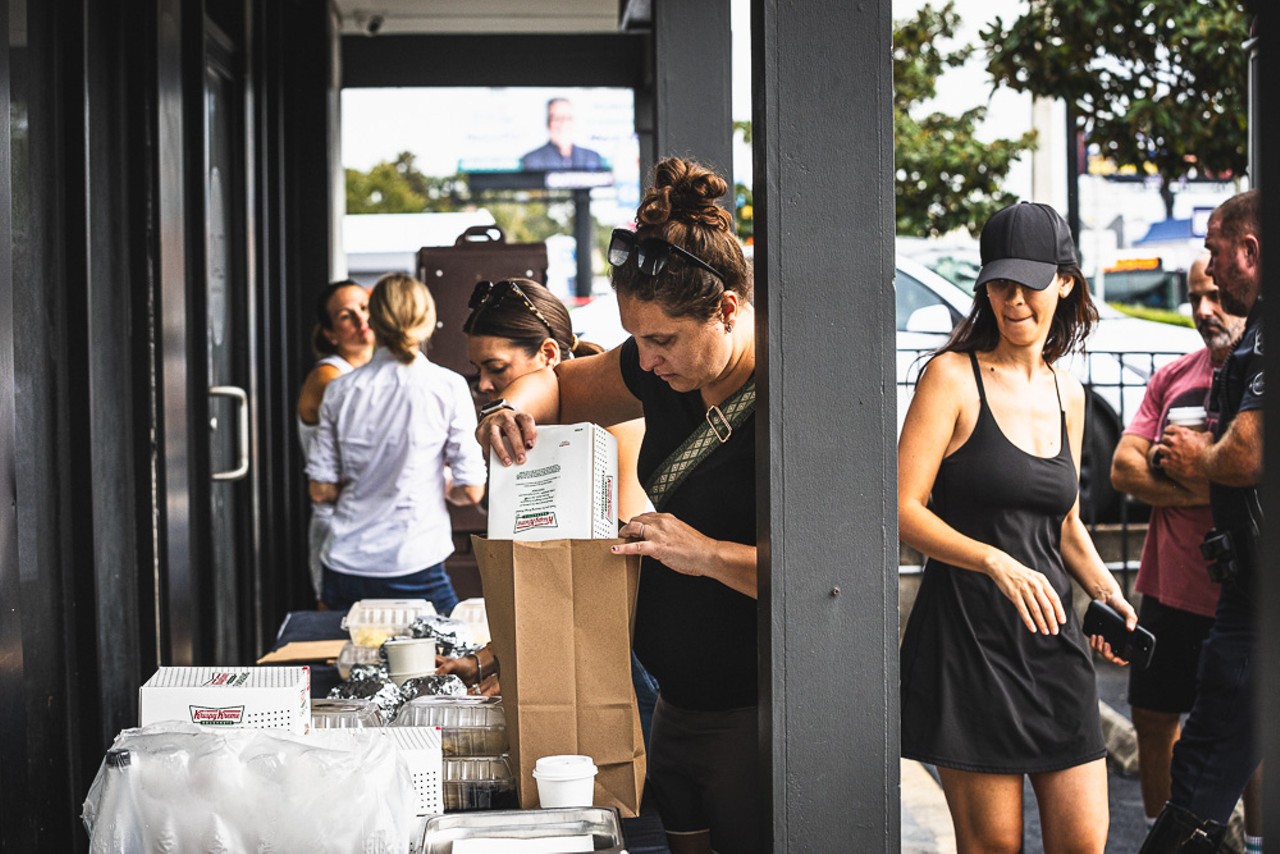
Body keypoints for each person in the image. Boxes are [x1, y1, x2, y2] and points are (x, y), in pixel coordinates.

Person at [475, 157, 757, 854]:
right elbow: (562, 386)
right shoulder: (658, 367)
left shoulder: (790, 396)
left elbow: (833, 577)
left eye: (664, 340)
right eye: (639, 339)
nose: (650, 360)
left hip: (758, 714)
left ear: (726, 309)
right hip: (675, 709)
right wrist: (512, 406)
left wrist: (707, 555)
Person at [898, 201, 1139, 853]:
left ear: (1065, 281)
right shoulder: (951, 377)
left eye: (1028, 284)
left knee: (1085, 842)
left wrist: (1105, 591)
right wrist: (993, 561)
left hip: (1052, 645)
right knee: (994, 848)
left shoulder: (1069, 392)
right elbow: (902, 509)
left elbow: (1064, 524)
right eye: (998, 285)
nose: (1012, 301)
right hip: (969, 645)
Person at [441, 278, 660, 742]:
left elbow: (589, 583)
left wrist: (509, 661)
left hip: (629, 653)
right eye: (477, 370)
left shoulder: (605, 433)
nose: (484, 386)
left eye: (496, 368)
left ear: (546, 355)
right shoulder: (543, 437)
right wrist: (490, 658)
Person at [1110, 253, 1262, 845]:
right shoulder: (1173, 376)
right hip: (1168, 590)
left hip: (1240, 592)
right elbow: (1123, 469)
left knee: (1248, 736)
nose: (1205, 309)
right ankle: (1159, 832)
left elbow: (1251, 471)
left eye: (1217, 295)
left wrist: (1199, 472)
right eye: (1197, 297)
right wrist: (1211, 480)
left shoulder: (1257, 379)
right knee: (1153, 718)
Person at [307, 272, 486, 616]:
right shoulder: (447, 387)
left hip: (346, 564)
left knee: (344, 661)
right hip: (413, 560)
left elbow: (320, 490)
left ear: (374, 320)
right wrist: (434, 481)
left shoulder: (340, 390)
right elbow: (472, 491)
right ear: (429, 321)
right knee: (445, 660)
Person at [296, 280, 377, 605]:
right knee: (336, 627)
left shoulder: (377, 371)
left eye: (364, 307)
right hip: (339, 520)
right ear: (331, 334)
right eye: (346, 316)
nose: (361, 320)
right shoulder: (329, 377)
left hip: (375, 515)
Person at [519, 98, 604, 171]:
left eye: (567, 118)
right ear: (548, 123)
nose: (563, 123)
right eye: (557, 118)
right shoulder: (532, 160)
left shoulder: (592, 157)